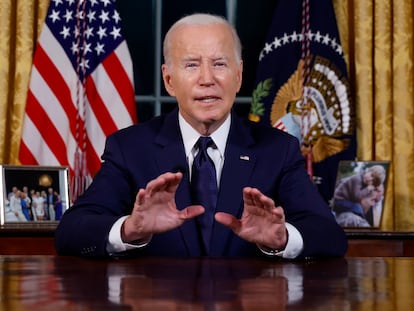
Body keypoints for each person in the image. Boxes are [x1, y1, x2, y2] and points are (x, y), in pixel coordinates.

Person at [55, 13, 347, 259]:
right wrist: (129, 229)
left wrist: (282, 239)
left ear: (239, 76)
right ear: (169, 80)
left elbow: (330, 237)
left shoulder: (278, 149)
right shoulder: (130, 148)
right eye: (192, 64)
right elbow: (72, 231)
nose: (208, 78)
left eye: (219, 64)